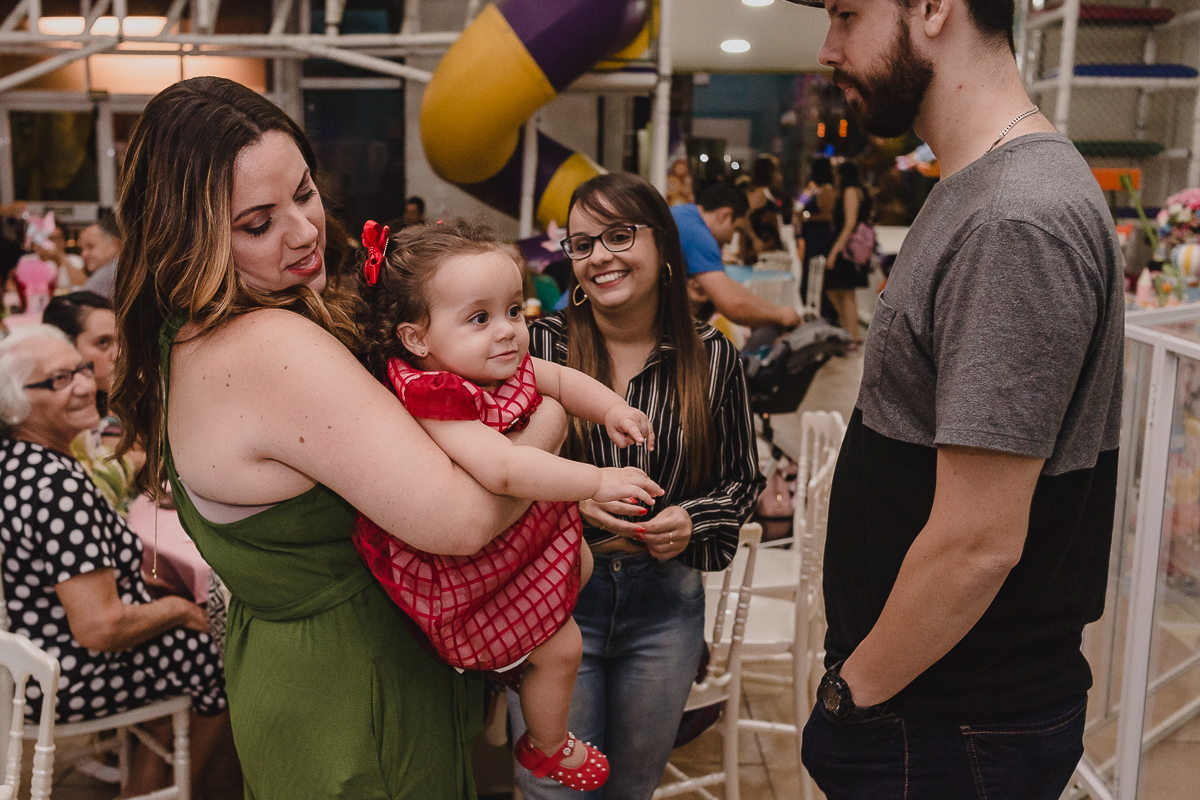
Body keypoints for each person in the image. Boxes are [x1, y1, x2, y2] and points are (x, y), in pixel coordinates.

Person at [112, 76, 569, 799]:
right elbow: (463, 520)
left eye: (303, 192)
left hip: (301, 679)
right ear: (189, 236)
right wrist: (555, 410)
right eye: (257, 224)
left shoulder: (190, 335)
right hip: (358, 698)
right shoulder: (269, 344)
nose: (302, 231)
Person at [780, 0, 1124, 797]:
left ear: (933, 8)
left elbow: (979, 543)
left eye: (846, 14)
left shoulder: (1015, 219)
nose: (828, 50)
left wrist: (850, 696)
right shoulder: (981, 185)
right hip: (938, 714)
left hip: (944, 725)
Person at [352, 218, 663, 791]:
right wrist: (594, 480)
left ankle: (511, 673)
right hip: (470, 576)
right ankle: (546, 745)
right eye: (480, 318)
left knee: (583, 567)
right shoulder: (434, 395)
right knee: (564, 645)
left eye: (514, 311)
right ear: (417, 340)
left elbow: (564, 384)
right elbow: (503, 468)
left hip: (518, 545)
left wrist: (612, 409)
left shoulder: (500, 366)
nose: (507, 332)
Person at [510, 171, 765, 799]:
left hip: (665, 608)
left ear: (663, 247)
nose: (601, 256)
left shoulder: (712, 357)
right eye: (582, 243)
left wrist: (693, 520)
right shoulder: (538, 349)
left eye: (619, 235)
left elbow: (741, 480)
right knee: (555, 792)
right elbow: (492, 470)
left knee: (631, 790)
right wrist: (576, 489)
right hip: (554, 600)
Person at [0, 325, 232, 798]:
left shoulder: (16, 461)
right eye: (57, 381)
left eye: (81, 370)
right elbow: (101, 628)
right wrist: (182, 612)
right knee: (221, 655)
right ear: (12, 406)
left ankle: (147, 783)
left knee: (184, 636)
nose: (85, 385)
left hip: (30, 662)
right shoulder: (56, 488)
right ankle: (203, 789)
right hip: (69, 674)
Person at [41, 290, 137, 513]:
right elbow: (102, 492)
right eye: (103, 343)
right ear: (65, 349)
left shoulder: (126, 393)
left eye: (121, 340)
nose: (119, 353)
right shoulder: (60, 417)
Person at [671, 183, 802, 330]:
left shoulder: (684, 214)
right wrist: (782, 315)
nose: (730, 239)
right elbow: (733, 304)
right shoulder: (698, 233)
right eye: (735, 229)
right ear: (725, 215)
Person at [824, 160, 873, 347]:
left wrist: (834, 252)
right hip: (851, 249)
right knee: (843, 291)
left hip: (847, 250)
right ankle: (849, 333)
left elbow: (849, 223)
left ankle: (850, 336)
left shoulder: (850, 191)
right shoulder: (859, 191)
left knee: (844, 292)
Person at [80, 209, 122, 301]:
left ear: (115, 245)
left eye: (90, 247)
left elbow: (79, 309)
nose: (83, 254)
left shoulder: (109, 270)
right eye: (82, 248)